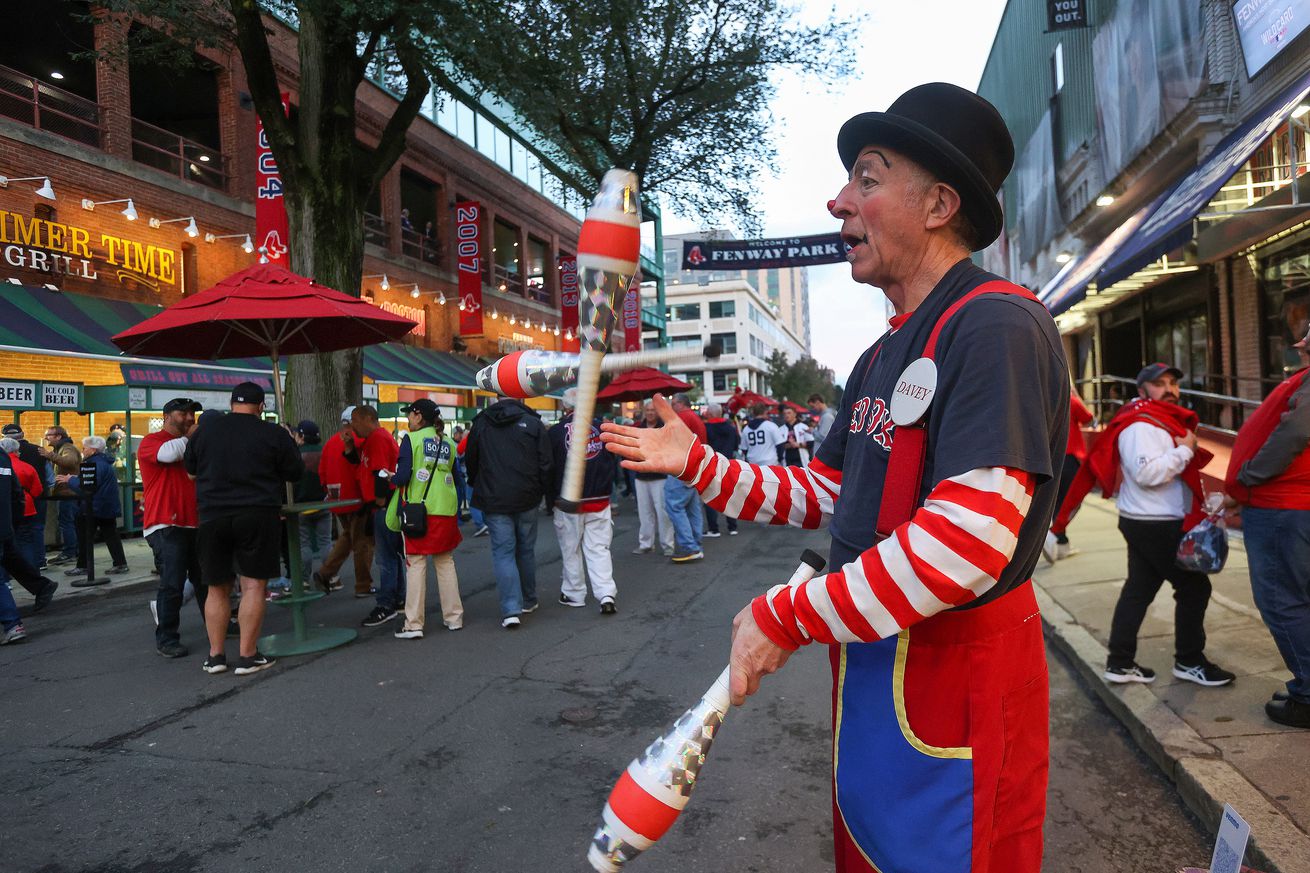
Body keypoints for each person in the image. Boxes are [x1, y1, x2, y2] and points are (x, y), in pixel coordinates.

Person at [602, 83, 1069, 873]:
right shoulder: (879, 356)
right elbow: (829, 493)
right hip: (874, 677)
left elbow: (965, 545)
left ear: (938, 204)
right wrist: (700, 464)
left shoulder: (997, 325)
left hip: (957, 683)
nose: (839, 200)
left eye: (868, 178)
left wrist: (784, 615)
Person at [1101, 363, 1235, 687]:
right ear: (1142, 389)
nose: (1170, 389)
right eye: (1160, 384)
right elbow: (1147, 475)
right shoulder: (1139, 425)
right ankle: (1189, 661)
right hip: (1155, 522)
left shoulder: (1160, 420)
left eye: (1173, 383)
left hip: (1149, 519)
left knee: (1139, 589)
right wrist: (1184, 452)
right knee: (1193, 587)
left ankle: (1119, 663)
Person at [184, 382, 303, 676]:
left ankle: (216, 656)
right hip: (257, 513)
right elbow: (295, 472)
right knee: (253, 586)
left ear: (231, 403)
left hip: (212, 515)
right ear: (261, 406)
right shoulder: (273, 433)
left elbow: (190, 471)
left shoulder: (206, 431)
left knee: (216, 588)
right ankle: (248, 656)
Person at [1224, 325, 1310, 728]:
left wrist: (1249, 476)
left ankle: (1308, 693)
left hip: (1283, 507)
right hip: (1290, 506)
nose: (1299, 345)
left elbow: (1294, 431)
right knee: (1296, 599)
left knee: (1283, 602)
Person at [465, 393, 552, 628]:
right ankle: (529, 598)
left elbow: (471, 460)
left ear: (496, 397)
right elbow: (546, 462)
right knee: (525, 549)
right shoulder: (533, 423)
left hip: (494, 497)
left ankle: (511, 609)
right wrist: (543, 492)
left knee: (503, 552)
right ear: (520, 397)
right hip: (527, 495)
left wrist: (477, 483)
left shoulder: (482, 423)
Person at [138, 398, 208, 658]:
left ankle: (217, 625)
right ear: (166, 416)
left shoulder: (190, 443)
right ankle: (166, 638)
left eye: (192, 414)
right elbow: (169, 454)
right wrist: (195, 435)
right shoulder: (151, 441)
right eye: (183, 413)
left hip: (195, 522)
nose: (189, 417)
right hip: (165, 523)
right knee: (172, 582)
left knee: (205, 580)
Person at [387, 400, 463, 638]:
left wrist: (390, 477)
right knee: (445, 563)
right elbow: (457, 479)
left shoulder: (413, 440)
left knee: (416, 563)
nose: (408, 419)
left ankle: (414, 624)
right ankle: (454, 618)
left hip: (418, 513)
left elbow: (402, 477)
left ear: (419, 416)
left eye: (410, 414)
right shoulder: (450, 442)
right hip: (446, 510)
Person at [547, 389, 619, 613]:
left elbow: (549, 467)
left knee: (571, 549)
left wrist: (550, 498)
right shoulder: (602, 429)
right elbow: (612, 461)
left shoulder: (557, 432)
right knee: (599, 548)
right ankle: (606, 594)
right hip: (599, 498)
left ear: (565, 407)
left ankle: (574, 593)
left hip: (569, 502)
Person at [348, 406, 403, 628]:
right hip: (381, 505)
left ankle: (387, 603)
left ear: (368, 419)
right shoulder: (374, 439)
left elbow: (380, 472)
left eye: (355, 420)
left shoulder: (379, 438)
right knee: (391, 555)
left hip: (383, 505)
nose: (352, 425)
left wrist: (379, 502)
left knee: (386, 557)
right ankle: (397, 597)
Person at [1, 445, 58, 644]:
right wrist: (12, 523)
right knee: (12, 558)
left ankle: (12, 624)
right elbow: (18, 492)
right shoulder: (3, 458)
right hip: (7, 522)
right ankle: (42, 586)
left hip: (8, 522)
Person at [314, 408, 372, 597]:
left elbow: (322, 471)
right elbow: (361, 470)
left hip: (337, 498)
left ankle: (326, 572)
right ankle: (363, 584)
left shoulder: (331, 442)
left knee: (348, 537)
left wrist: (328, 492)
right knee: (361, 543)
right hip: (356, 498)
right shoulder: (358, 440)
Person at [59, 436, 129, 580]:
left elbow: (88, 487)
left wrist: (70, 480)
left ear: (93, 449)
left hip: (94, 506)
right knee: (111, 535)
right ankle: (120, 563)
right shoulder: (102, 462)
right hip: (104, 505)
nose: (83, 451)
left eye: (84, 448)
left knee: (84, 537)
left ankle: (83, 566)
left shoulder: (93, 464)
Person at [1043, 389, 1094, 563]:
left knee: (1057, 502)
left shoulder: (1042, 400)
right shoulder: (1069, 400)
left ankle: (1061, 543)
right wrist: (1077, 396)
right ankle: (1053, 534)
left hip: (1049, 457)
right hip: (1070, 456)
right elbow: (1089, 419)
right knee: (1072, 502)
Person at [663, 393, 708, 563]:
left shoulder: (681, 418)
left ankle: (690, 546)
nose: (672, 408)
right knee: (692, 508)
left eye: (673, 404)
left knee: (675, 506)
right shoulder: (695, 418)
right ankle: (695, 544)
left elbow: (669, 442)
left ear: (681, 404)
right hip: (695, 468)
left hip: (681, 468)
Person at [2, 423, 51, 568]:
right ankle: (39, 562)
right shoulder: (39, 451)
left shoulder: (4, 461)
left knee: (14, 535)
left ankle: (16, 567)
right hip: (35, 499)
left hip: (10, 503)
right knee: (35, 530)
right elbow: (49, 478)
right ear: (22, 435)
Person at [631, 401, 675, 555]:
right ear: (644, 411)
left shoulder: (664, 428)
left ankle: (668, 544)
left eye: (653, 410)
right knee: (645, 513)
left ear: (657, 412)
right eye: (648, 410)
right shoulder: (638, 428)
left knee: (663, 513)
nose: (650, 413)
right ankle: (645, 544)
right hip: (641, 476)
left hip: (660, 476)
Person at [292, 419, 330, 588]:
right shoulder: (324, 452)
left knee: (304, 544)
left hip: (301, 506)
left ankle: (303, 580)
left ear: (301, 435)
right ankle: (331, 576)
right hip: (323, 503)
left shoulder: (296, 454)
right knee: (325, 542)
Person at [40, 425, 81, 565]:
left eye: (49, 435)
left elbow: (70, 462)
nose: (46, 437)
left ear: (58, 437)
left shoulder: (67, 448)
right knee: (69, 522)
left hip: (68, 493)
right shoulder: (60, 449)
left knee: (66, 523)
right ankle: (73, 551)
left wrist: (49, 455)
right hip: (65, 493)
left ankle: (69, 552)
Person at [701, 403, 739, 537]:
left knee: (710, 496)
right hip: (728, 464)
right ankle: (732, 527)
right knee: (729, 496)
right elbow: (736, 444)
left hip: (711, 465)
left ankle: (714, 528)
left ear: (710, 414)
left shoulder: (706, 428)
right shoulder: (730, 428)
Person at [740, 401, 785, 469]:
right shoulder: (770, 425)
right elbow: (780, 445)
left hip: (753, 464)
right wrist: (779, 459)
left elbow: (744, 449)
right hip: (770, 463)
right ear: (765, 412)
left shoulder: (746, 429)